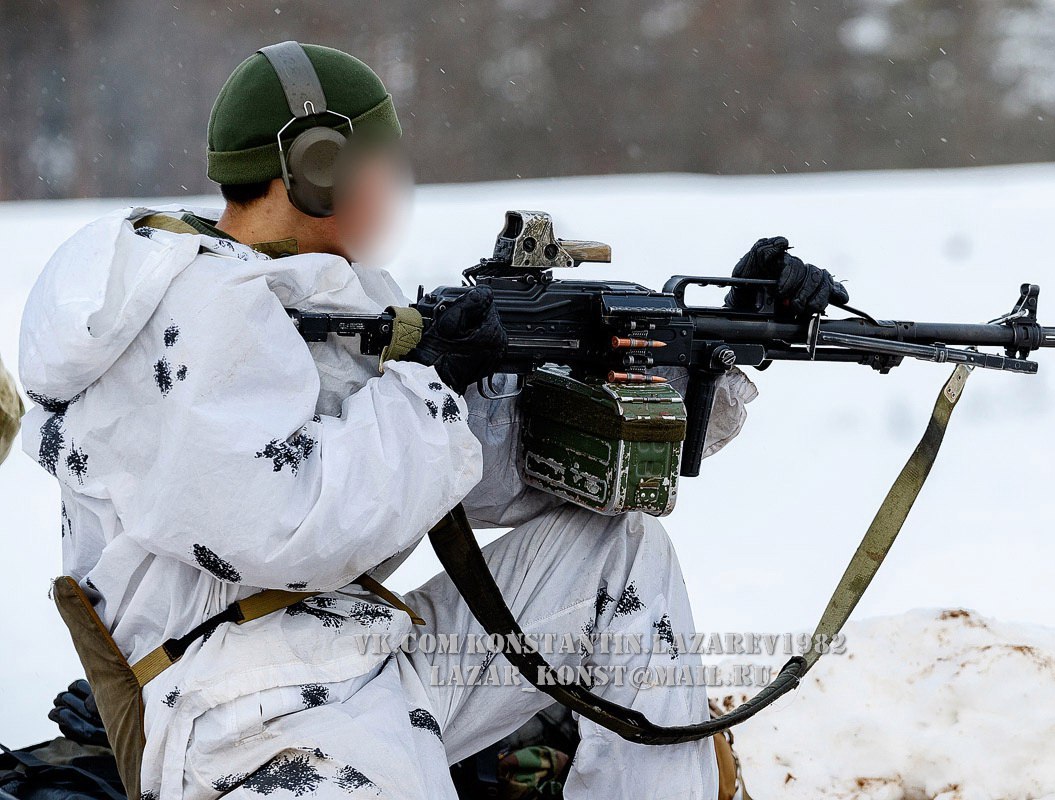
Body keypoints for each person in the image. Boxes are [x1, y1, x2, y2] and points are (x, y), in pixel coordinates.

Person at [18, 42, 845, 800]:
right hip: (243, 716)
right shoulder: (193, 311)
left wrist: (705, 354)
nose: (395, 187)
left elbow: (485, 469)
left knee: (615, 560)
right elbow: (284, 528)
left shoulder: (324, 299)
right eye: (381, 162)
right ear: (316, 166)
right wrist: (429, 383)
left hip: (361, 662)